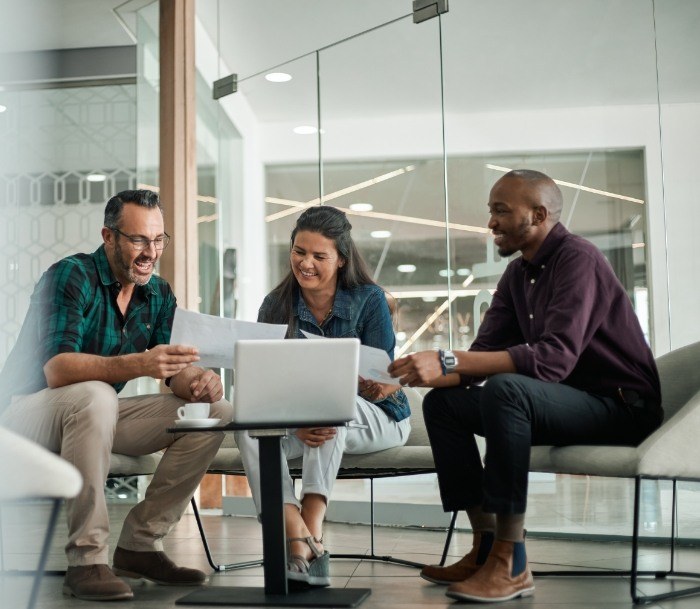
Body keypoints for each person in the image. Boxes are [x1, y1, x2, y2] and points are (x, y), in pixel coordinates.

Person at [388, 169, 662, 603]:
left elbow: (552, 360)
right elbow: (479, 360)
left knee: (507, 389)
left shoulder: (579, 259)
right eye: (490, 211)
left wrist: (447, 358)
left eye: (501, 211)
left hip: (621, 408)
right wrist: (409, 376)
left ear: (537, 215)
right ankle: (483, 546)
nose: (491, 223)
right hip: (562, 403)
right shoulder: (518, 276)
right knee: (445, 404)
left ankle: (511, 561)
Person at [0, 189, 234, 601]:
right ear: (108, 236)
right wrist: (143, 362)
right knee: (95, 394)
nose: (151, 252)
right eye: (139, 240)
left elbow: (171, 369)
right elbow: (57, 370)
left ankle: (140, 545)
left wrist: (198, 381)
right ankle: (86, 560)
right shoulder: (71, 276)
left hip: (93, 412)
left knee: (215, 410)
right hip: (25, 415)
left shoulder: (158, 293)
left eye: (159, 240)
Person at [234, 205, 411, 587]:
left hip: (378, 417)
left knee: (327, 407)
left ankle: (308, 528)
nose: (306, 263)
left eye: (319, 256)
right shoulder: (275, 304)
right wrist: (294, 421)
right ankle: (298, 536)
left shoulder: (369, 299)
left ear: (341, 259)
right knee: (247, 427)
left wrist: (377, 383)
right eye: (299, 252)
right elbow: (267, 381)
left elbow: (386, 376)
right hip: (303, 419)